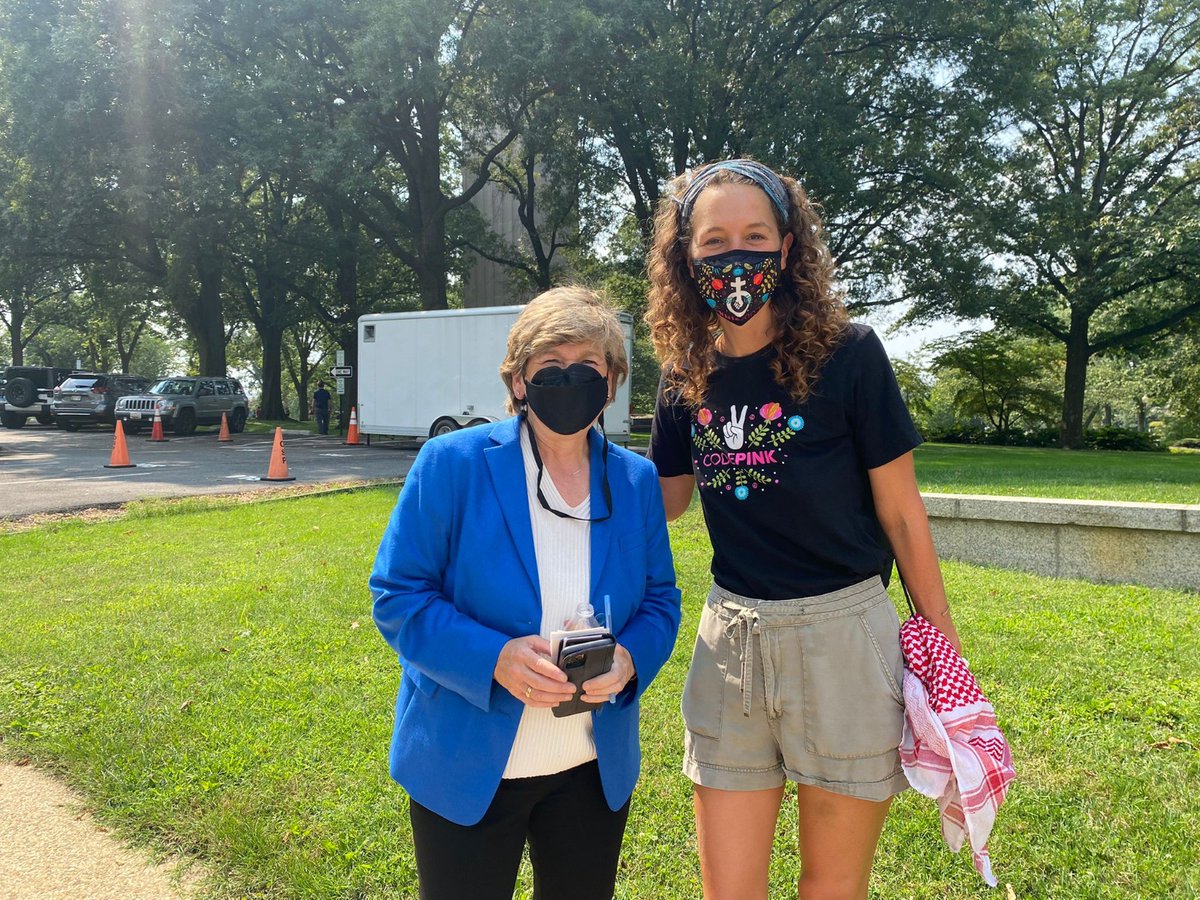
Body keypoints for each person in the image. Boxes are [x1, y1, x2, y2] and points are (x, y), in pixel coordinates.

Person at [645, 159, 963, 900]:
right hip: (732, 640)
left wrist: (940, 648)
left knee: (830, 888)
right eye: (714, 239)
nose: (735, 256)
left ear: (787, 249)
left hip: (844, 637)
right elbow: (663, 501)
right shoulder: (682, 372)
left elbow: (901, 513)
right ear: (687, 257)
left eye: (755, 235)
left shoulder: (848, 354)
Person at [371, 286, 682, 900]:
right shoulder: (451, 464)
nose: (569, 382)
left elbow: (660, 600)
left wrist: (629, 660)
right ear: (517, 382)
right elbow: (398, 595)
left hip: (591, 768)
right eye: (549, 370)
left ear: (613, 381)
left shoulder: (635, 478)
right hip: (469, 763)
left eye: (588, 368)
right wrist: (493, 658)